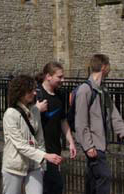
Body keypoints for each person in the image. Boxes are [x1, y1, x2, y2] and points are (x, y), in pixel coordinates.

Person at [75, 54, 124, 194]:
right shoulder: (85, 90)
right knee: (104, 176)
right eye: (109, 65)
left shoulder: (102, 89)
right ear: (104, 67)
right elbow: (80, 122)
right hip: (94, 143)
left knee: (93, 180)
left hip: (101, 142)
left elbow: (112, 112)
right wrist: (88, 146)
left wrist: (123, 132)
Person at [2, 74, 62, 194]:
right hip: (15, 165)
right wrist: (45, 156)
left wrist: (42, 164)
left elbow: (40, 139)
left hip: (35, 165)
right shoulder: (10, 114)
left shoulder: (35, 110)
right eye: (30, 91)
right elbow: (20, 145)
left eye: (34, 90)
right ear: (20, 92)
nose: (34, 93)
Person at [35, 62, 77, 194]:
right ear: (48, 76)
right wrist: (36, 109)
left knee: (55, 187)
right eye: (60, 77)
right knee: (48, 187)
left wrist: (71, 141)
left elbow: (63, 120)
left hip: (55, 149)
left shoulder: (60, 95)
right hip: (40, 151)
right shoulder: (36, 94)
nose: (63, 80)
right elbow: (21, 118)